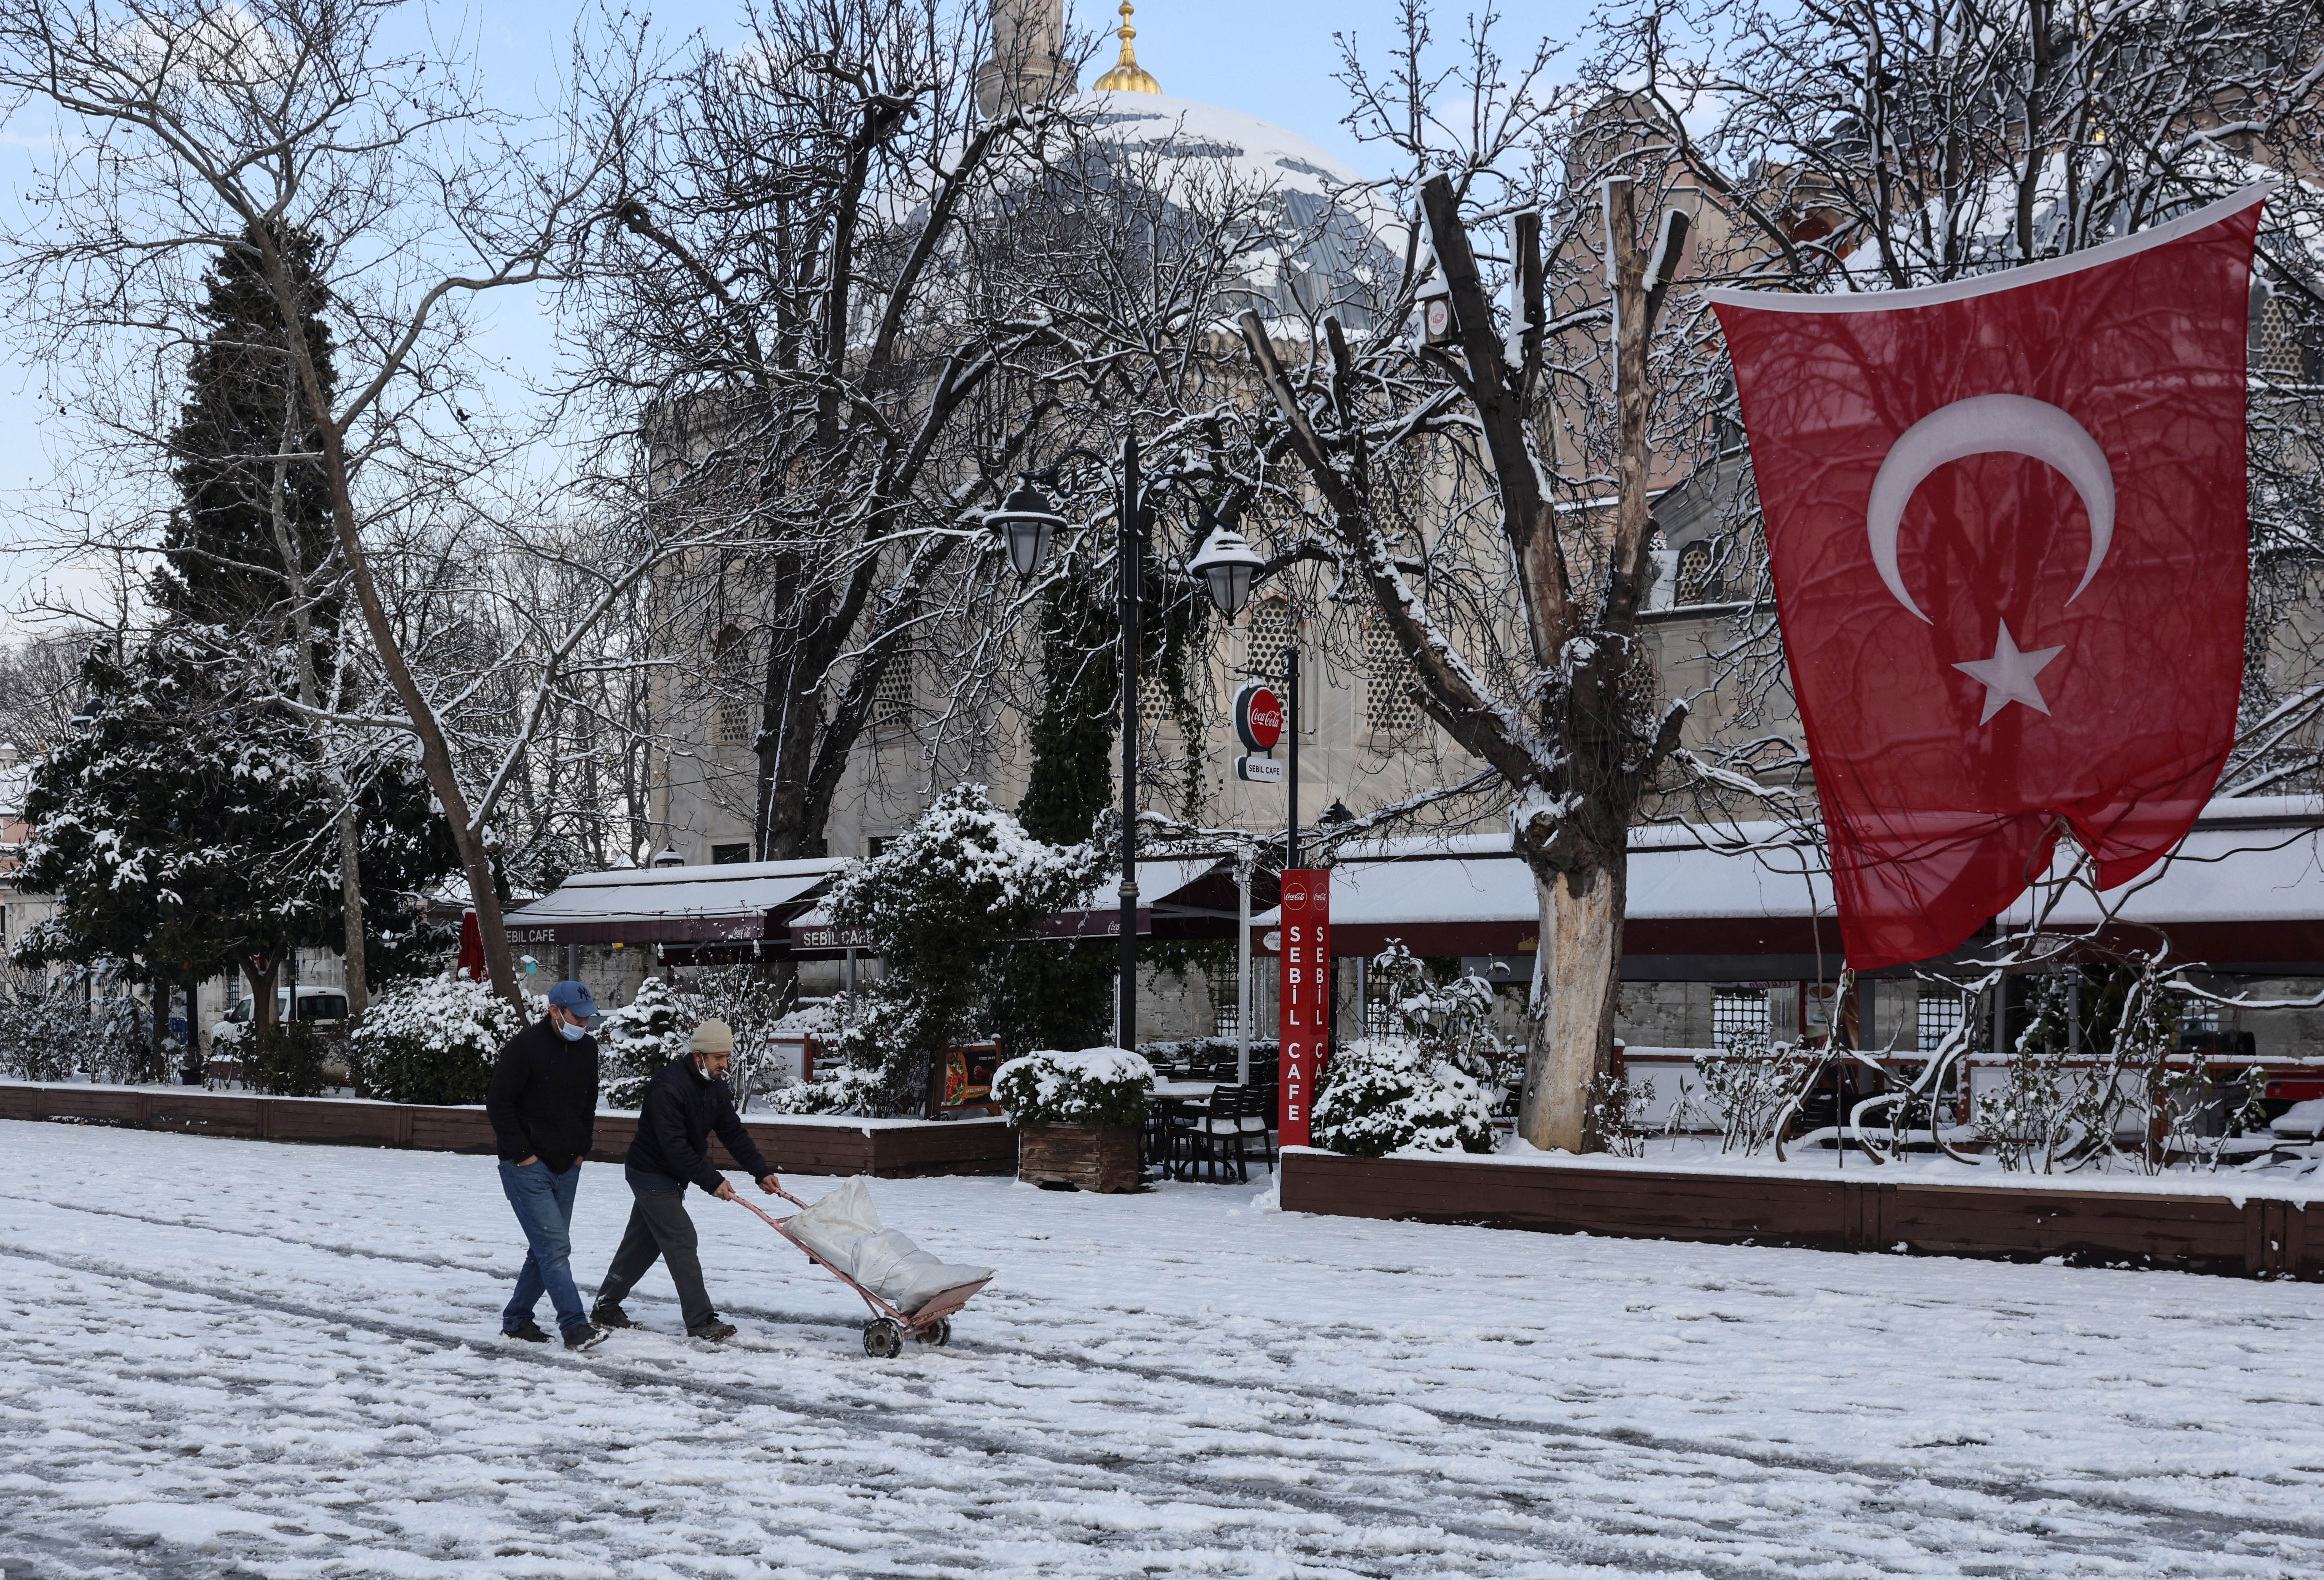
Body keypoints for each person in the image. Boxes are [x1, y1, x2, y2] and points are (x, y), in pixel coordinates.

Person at [591, 1020, 781, 1342]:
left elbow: (731, 1131)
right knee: (681, 1239)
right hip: (651, 1173)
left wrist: (760, 1171)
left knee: (642, 1243)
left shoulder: (715, 1086)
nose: (725, 1064)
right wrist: (712, 1181)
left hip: (673, 1175)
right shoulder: (668, 1086)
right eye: (719, 1057)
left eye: (727, 1057)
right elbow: (673, 1145)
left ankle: (606, 1306)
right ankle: (701, 1320)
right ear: (698, 1056)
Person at [485, 979, 609, 1352]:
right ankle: (574, 1326)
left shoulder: (587, 1049)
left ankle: (517, 1319)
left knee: (544, 1249)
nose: (584, 1025)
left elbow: (588, 1101)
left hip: (567, 1165)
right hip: (527, 1167)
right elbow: (498, 1102)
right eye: (577, 1016)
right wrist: (523, 1153)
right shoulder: (525, 1048)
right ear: (555, 1010)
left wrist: (581, 1151)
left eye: (589, 1018)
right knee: (554, 1248)